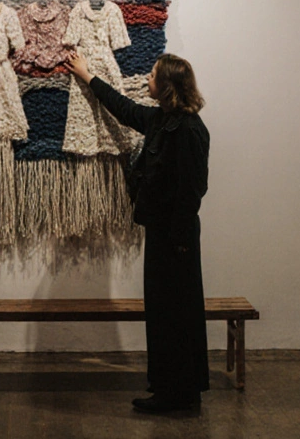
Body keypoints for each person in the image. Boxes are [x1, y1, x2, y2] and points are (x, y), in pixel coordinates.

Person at [65, 50, 211, 414]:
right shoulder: (163, 121)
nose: (146, 79)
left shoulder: (190, 129)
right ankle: (171, 392)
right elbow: (124, 108)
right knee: (163, 315)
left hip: (176, 239)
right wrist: (87, 76)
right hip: (164, 233)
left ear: (166, 86)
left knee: (176, 316)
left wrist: (178, 242)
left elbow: (193, 190)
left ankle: (178, 396)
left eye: (152, 75)